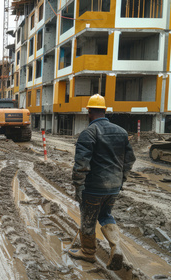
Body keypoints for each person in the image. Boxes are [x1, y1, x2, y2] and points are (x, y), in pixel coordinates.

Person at [68, 94, 136, 271]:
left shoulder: (89, 133)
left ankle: (88, 252)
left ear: (89, 111)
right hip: (113, 187)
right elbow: (129, 160)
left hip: (93, 188)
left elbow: (81, 164)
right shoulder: (121, 132)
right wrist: (121, 180)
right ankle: (116, 247)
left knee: (88, 220)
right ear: (105, 111)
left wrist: (78, 186)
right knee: (106, 215)